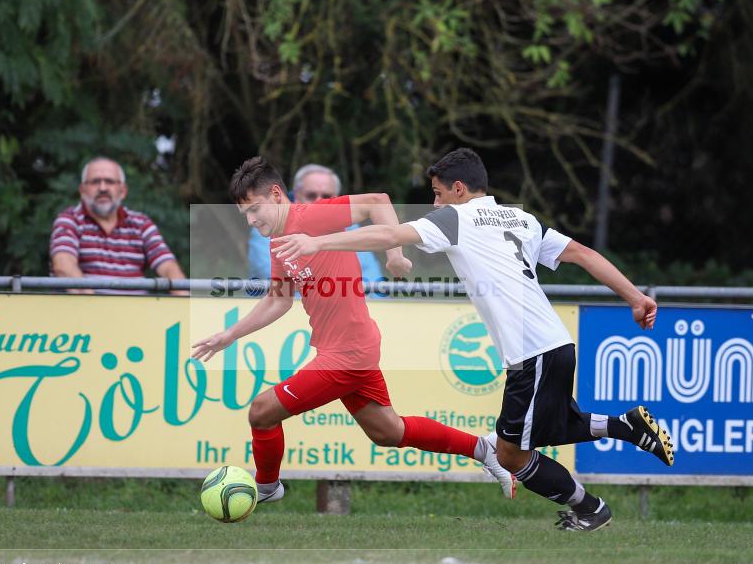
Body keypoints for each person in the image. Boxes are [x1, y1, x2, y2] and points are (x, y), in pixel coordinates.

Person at [271, 148, 675, 531]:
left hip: (532, 351)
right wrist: (634, 296)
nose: (435, 203)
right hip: (553, 343)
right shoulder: (522, 220)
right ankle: (627, 428)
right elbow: (584, 253)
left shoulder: (456, 219)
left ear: (458, 190)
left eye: (437, 193)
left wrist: (317, 241)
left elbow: (385, 233)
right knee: (550, 429)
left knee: (510, 454)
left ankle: (591, 508)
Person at [192, 156, 516, 503]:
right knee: (388, 431)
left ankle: (267, 488)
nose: (253, 220)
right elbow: (278, 301)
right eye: (246, 216)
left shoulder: (312, 216)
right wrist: (229, 335)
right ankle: (484, 449)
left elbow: (379, 202)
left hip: (347, 354)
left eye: (255, 209)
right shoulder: (277, 242)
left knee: (261, 411)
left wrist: (394, 254)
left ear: (275, 194)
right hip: (350, 349)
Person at [50, 157, 187, 294]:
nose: (102, 188)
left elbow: (169, 267)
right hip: (84, 312)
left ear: (123, 191)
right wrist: (93, 309)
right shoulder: (70, 220)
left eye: (110, 182)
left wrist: (189, 307)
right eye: (95, 182)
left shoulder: (141, 223)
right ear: (82, 190)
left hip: (137, 313)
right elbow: (63, 265)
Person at [247, 164, 384, 285]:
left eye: (327, 196)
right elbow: (268, 274)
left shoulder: (349, 225)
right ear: (295, 196)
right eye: (311, 195)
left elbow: (372, 279)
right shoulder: (269, 225)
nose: (320, 202)